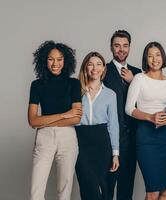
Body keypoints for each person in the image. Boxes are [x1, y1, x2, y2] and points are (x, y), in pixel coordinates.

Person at [28, 41, 82, 200]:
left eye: (59, 59)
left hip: (68, 137)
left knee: (64, 191)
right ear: (44, 61)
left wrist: (45, 120)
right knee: (36, 192)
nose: (55, 63)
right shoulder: (37, 85)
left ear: (65, 61)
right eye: (51, 59)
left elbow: (76, 118)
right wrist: (64, 115)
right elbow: (32, 121)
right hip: (44, 137)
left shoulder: (74, 84)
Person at [125, 41, 166, 200]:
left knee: (164, 191)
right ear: (145, 59)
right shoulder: (139, 79)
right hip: (146, 138)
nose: (155, 59)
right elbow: (129, 108)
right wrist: (150, 117)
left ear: (163, 57)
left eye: (158, 55)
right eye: (150, 56)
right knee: (152, 191)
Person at [76, 52, 120, 200]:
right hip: (81, 142)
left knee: (106, 190)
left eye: (98, 64)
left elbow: (113, 125)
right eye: (90, 64)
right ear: (85, 68)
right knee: (88, 188)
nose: (94, 68)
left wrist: (115, 154)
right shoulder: (76, 92)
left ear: (103, 69)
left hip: (102, 142)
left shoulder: (110, 94)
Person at [103, 30, 141, 200]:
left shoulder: (138, 72)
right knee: (107, 187)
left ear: (129, 47)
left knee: (126, 189)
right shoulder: (102, 70)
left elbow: (147, 102)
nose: (121, 49)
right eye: (117, 45)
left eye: (125, 46)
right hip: (108, 138)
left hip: (132, 139)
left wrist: (134, 81)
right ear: (111, 47)